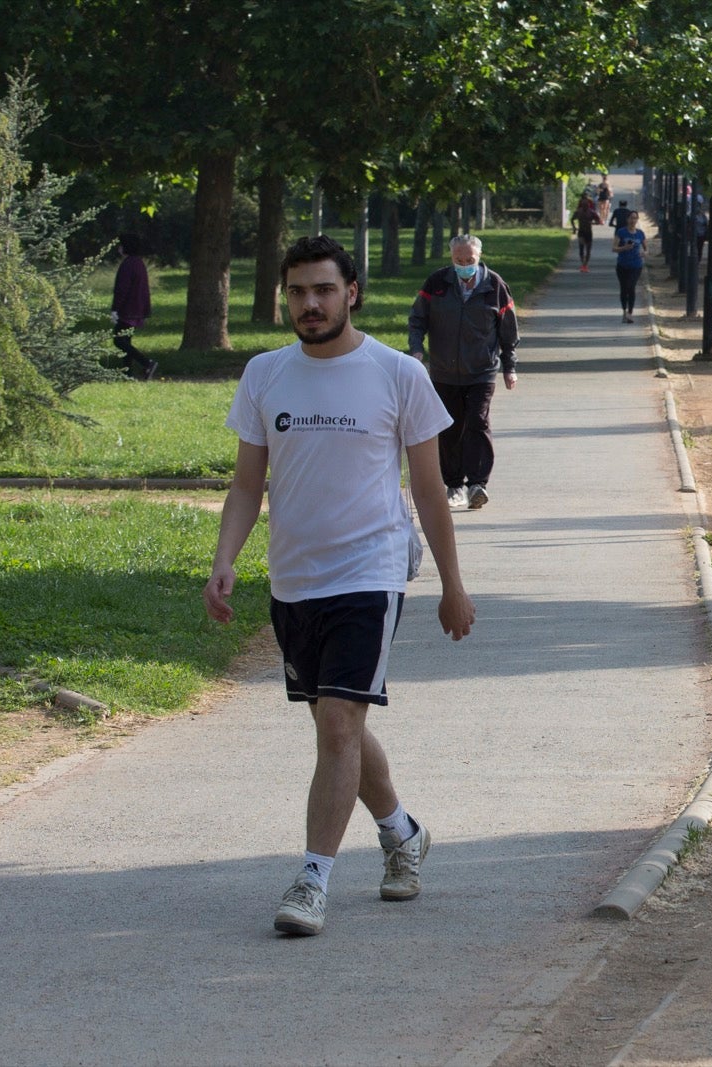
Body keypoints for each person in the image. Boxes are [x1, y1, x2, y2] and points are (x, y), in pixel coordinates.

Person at [203, 234, 476, 938]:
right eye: (297, 291)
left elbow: (429, 487)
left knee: (336, 724)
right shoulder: (266, 374)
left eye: (323, 289)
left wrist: (453, 584)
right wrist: (224, 557)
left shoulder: (395, 373)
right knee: (343, 724)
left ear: (350, 292)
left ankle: (312, 880)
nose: (310, 303)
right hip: (295, 578)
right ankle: (402, 832)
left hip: (371, 571)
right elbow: (245, 483)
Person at [408, 234, 520, 511]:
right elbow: (418, 318)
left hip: (481, 370)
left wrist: (510, 367)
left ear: (479, 257)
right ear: (451, 258)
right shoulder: (437, 283)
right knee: (449, 427)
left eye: (469, 260)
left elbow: (508, 330)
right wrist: (416, 349)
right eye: (459, 260)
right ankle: (455, 484)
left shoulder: (494, 285)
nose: (464, 265)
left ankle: (478, 484)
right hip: (444, 371)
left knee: (477, 421)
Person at [111, 232, 157, 380]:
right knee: (126, 340)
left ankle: (147, 363)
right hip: (137, 307)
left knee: (119, 340)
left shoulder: (128, 264)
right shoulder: (138, 263)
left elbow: (122, 289)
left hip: (128, 309)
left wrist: (115, 309)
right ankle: (127, 373)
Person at [613, 209, 647, 323]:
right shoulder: (621, 232)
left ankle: (630, 313)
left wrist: (645, 253)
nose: (633, 220)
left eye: (635, 218)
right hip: (622, 265)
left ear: (637, 220)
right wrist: (624, 248)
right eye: (631, 218)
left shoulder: (640, 233)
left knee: (631, 287)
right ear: (627, 219)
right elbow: (614, 248)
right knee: (624, 288)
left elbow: (647, 249)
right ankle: (624, 311)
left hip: (636, 265)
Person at [571, 192, 599, 272]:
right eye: (583, 205)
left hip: (588, 232)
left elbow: (598, 221)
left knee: (588, 249)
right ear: (581, 205)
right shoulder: (578, 212)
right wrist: (574, 228)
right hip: (581, 231)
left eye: (586, 205)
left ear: (588, 205)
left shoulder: (591, 212)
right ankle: (583, 265)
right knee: (581, 248)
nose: (585, 206)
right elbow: (572, 219)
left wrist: (592, 223)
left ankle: (585, 265)